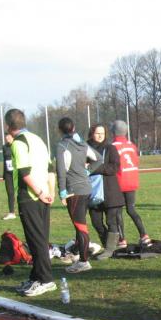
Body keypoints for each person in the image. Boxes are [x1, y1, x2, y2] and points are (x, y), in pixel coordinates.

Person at [5, 108, 55, 296]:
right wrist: (50, 191)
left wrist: (40, 192)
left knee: (36, 241)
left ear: (8, 126)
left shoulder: (18, 143)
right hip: (43, 195)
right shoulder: (38, 139)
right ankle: (36, 277)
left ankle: (46, 280)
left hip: (30, 196)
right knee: (40, 239)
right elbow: (50, 168)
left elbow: (24, 173)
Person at [55, 117, 97, 273]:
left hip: (74, 190)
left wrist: (62, 192)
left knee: (80, 227)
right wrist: (87, 171)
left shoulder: (62, 146)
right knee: (80, 225)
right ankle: (78, 253)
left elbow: (61, 171)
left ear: (59, 130)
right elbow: (98, 159)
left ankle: (84, 261)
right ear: (73, 128)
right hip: (86, 188)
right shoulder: (82, 144)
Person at [87, 124, 124, 260]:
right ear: (92, 133)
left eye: (102, 133)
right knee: (96, 222)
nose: (100, 136)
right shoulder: (86, 148)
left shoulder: (110, 148)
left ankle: (109, 250)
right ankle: (107, 246)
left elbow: (114, 167)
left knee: (111, 221)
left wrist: (93, 168)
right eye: (97, 133)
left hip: (110, 192)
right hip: (92, 192)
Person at [112, 120, 150, 247]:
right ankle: (144, 235)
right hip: (132, 181)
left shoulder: (113, 146)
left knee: (118, 212)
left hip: (119, 182)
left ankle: (122, 240)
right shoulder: (132, 146)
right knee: (131, 209)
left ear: (113, 132)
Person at [2, 133, 17, 220]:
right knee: (10, 193)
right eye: (6, 137)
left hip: (17, 172)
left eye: (8, 136)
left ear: (12, 137)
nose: (7, 138)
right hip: (8, 173)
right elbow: (4, 160)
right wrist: (4, 174)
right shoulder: (4, 147)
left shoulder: (17, 145)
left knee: (21, 192)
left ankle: (23, 211)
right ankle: (12, 212)